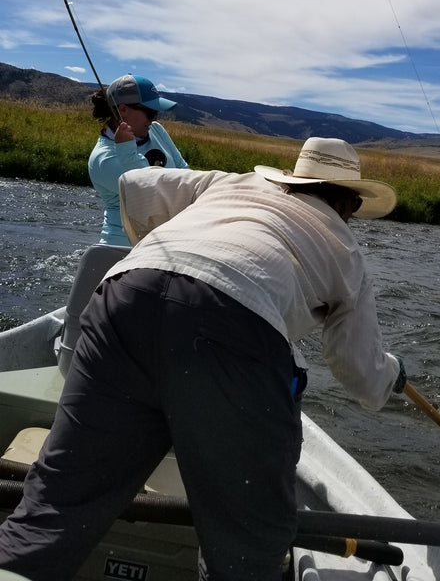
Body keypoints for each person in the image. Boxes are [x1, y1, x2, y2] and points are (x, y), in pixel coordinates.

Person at [0, 137, 407, 581]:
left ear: (293, 180)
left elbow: (134, 183)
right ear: (348, 204)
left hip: (124, 295)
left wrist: (158, 262)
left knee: (58, 505)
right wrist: (393, 376)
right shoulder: (345, 250)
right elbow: (359, 372)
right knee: (249, 543)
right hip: (232, 333)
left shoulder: (232, 183)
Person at [88, 73, 188, 245]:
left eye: (156, 111)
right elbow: (150, 194)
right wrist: (128, 151)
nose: (155, 118)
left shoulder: (156, 129)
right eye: (150, 112)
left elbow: (184, 171)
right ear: (123, 110)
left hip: (165, 241)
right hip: (123, 247)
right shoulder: (103, 158)